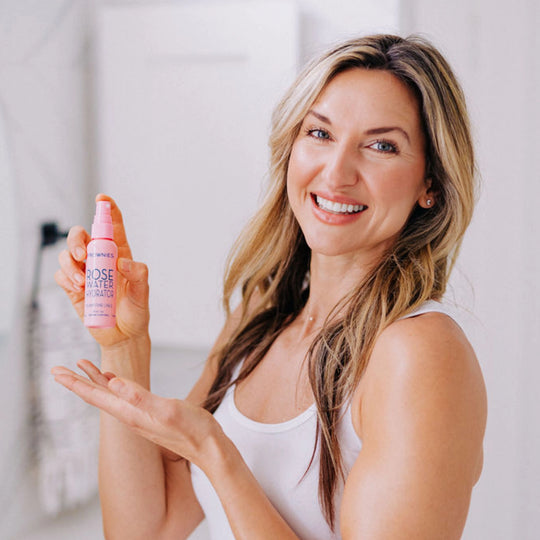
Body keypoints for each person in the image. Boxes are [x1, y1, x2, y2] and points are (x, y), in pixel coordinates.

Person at [52, 34, 487, 539]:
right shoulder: (261, 313)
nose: (336, 172)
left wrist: (216, 453)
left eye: (381, 145)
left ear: (430, 183)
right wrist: (124, 345)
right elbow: (146, 530)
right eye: (320, 134)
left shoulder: (419, 352)